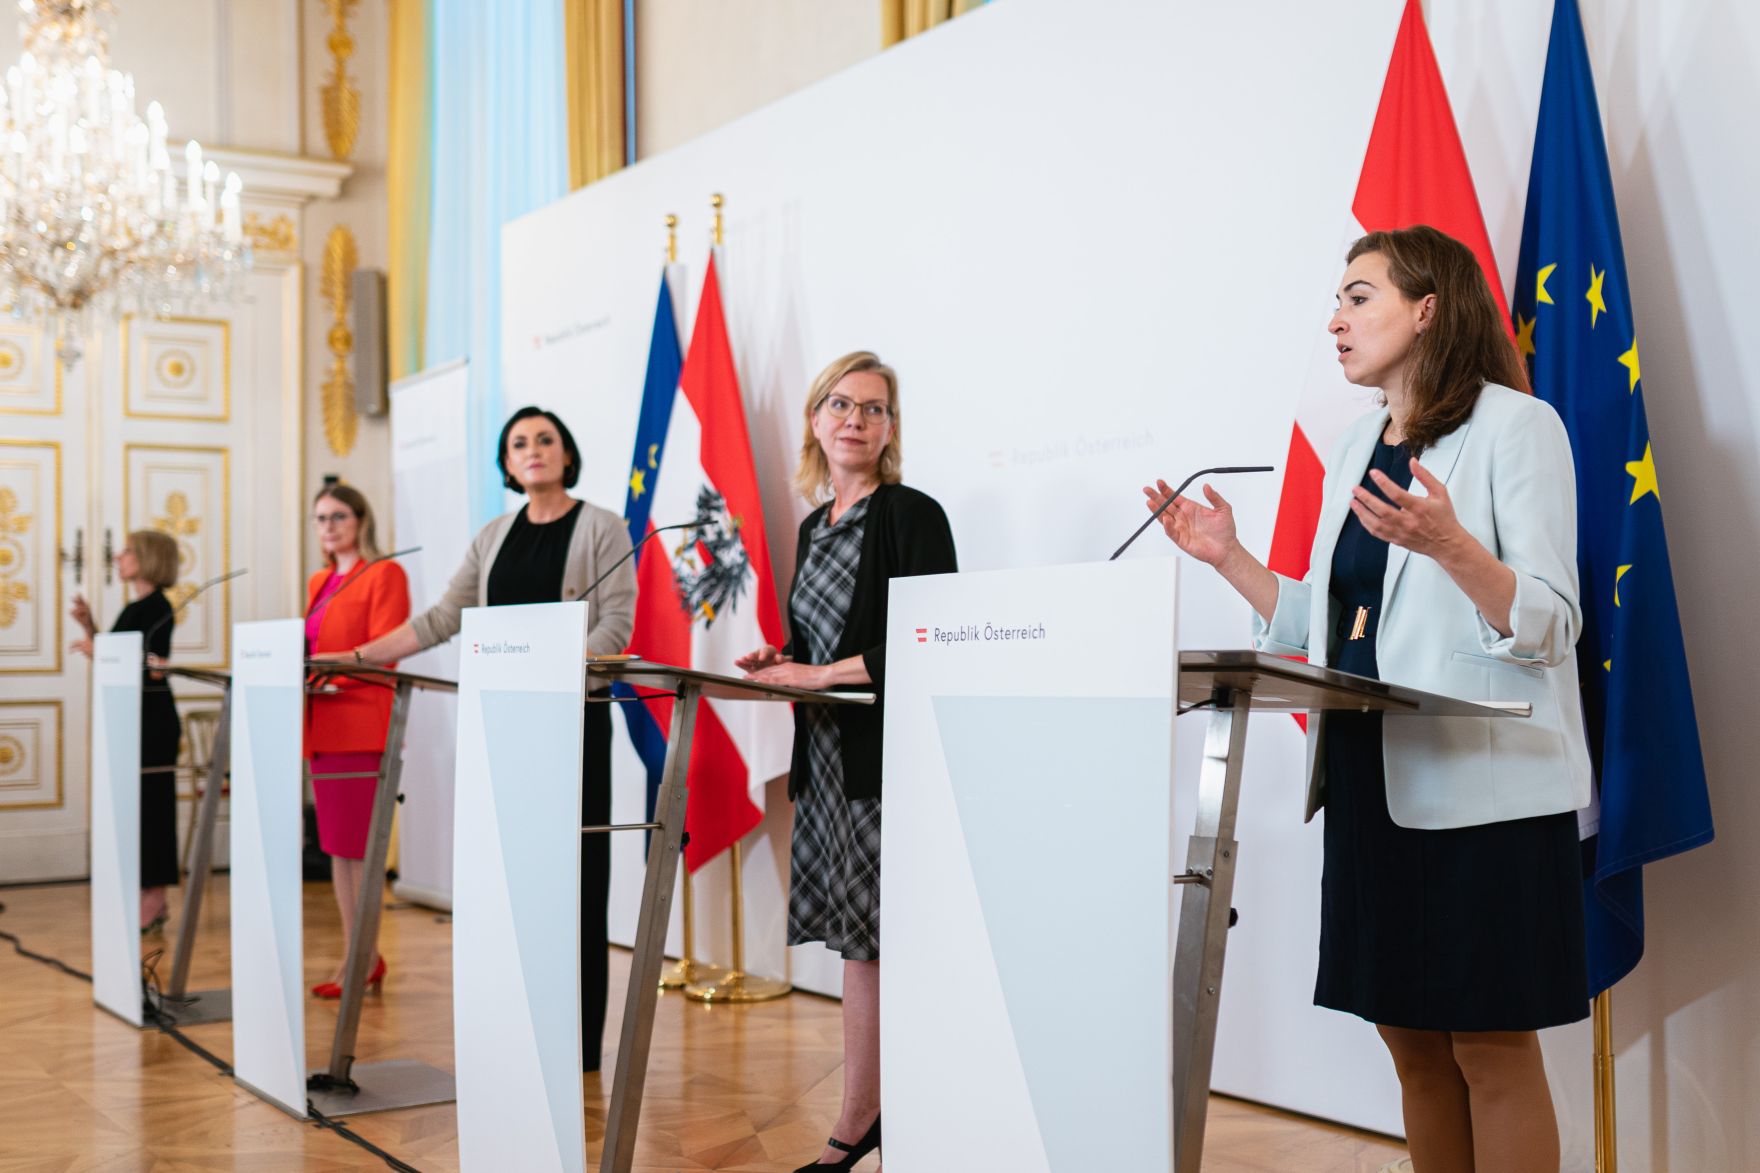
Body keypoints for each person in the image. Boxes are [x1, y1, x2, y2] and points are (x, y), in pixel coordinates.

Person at [1144, 225, 1591, 1173]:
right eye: (1336, 301)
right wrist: (1232, 559)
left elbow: (1553, 621)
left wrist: (1454, 548)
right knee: (1412, 1043)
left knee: (1491, 1047)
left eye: (1358, 296)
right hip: (1368, 781)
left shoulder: (1519, 426)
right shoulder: (1353, 445)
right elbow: (1337, 622)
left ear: (1427, 309)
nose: (1336, 319)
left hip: (1484, 793)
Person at [321, 406, 636, 1071]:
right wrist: (360, 656)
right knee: (513, 879)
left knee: (577, 880)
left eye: (546, 439)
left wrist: (552, 668)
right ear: (507, 462)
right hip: (506, 726)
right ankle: (520, 1024)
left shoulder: (603, 526)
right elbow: (440, 618)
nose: (533, 450)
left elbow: (616, 626)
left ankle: (577, 1043)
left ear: (567, 454)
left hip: (573, 722)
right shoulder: (494, 535)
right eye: (519, 442)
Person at [737, 351, 956, 1172]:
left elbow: (930, 635)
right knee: (858, 942)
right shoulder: (812, 524)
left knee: (882, 940)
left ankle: (866, 1112)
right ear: (816, 421)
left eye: (873, 407)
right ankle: (867, 1109)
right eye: (840, 403)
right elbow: (825, 637)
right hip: (826, 759)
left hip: (885, 758)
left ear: (890, 428)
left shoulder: (911, 514)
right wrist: (783, 656)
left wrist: (818, 672)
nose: (855, 418)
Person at [303, 484, 410, 998]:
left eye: (338, 515)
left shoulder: (384, 574)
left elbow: (385, 650)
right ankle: (359, 954)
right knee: (338, 852)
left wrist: (332, 676)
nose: (328, 526)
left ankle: (362, 957)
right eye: (320, 518)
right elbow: (313, 646)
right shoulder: (319, 580)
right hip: (322, 726)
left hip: (363, 723)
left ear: (361, 519)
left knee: (362, 852)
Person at [71, 531, 184, 934]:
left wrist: (99, 648)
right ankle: (146, 895)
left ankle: (154, 898)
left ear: (148, 558)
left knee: (153, 807)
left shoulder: (158, 608)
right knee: (138, 806)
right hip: (136, 717)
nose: (119, 556)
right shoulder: (137, 606)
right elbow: (122, 657)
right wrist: (92, 629)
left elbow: (152, 667)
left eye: (129, 551)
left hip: (152, 723)